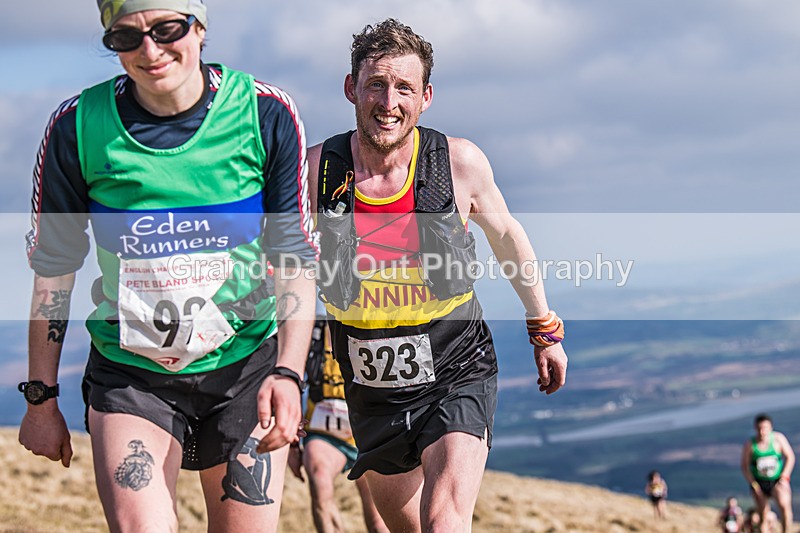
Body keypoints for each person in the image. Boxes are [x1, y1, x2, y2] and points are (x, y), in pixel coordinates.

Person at [18, 1, 317, 531]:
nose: (149, 51)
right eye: (125, 38)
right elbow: (55, 270)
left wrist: (289, 374)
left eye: (166, 29)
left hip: (244, 371)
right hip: (133, 376)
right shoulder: (77, 126)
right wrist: (41, 399)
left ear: (199, 29)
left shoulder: (264, 112)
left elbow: (294, 257)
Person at [307, 19, 569, 531]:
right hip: (369, 383)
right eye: (376, 84)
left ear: (425, 97)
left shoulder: (458, 163)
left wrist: (544, 327)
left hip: (455, 365)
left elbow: (508, 239)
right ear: (350, 89)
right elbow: (275, 269)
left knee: (444, 520)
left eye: (404, 87)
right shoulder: (315, 173)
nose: (389, 102)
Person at [287, 317, 388, 533]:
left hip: (369, 432)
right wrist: (292, 444)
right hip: (325, 435)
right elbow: (290, 380)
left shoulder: (377, 324)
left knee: (379, 521)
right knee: (318, 473)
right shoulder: (311, 332)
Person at [741, 413, 795, 533]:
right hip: (759, 482)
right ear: (755, 428)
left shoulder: (778, 439)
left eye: (765, 428)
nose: (762, 432)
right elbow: (745, 467)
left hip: (777, 480)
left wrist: (785, 477)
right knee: (763, 514)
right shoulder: (750, 445)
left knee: (784, 506)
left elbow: (790, 457)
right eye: (759, 428)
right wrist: (753, 484)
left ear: (770, 427)